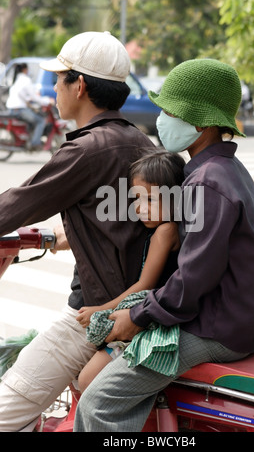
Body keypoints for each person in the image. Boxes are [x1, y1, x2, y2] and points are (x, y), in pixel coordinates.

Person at [73, 58, 254, 432]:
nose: (161, 118)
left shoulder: (206, 183)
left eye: (169, 111)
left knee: (99, 401)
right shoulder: (225, 172)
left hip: (216, 330)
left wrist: (136, 317)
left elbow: (192, 280)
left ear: (201, 123)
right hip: (240, 322)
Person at [0, 31, 155, 432]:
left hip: (94, 315)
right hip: (139, 307)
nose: (53, 88)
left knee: (5, 411)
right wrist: (61, 236)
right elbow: (122, 222)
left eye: (58, 79)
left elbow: (13, 207)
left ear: (80, 85)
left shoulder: (87, 150)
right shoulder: (141, 143)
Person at [76, 149, 185, 392]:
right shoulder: (170, 227)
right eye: (136, 199)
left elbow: (145, 285)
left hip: (147, 321)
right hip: (157, 314)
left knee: (86, 380)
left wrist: (100, 309)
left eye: (150, 200)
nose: (140, 208)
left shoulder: (165, 231)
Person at [6, 63, 52, 150]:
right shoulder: (25, 80)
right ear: (25, 70)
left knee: (33, 118)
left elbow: (22, 95)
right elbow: (35, 97)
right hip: (20, 110)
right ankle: (35, 143)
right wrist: (47, 101)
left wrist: (29, 99)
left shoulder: (16, 79)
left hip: (12, 109)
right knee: (41, 121)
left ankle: (28, 138)